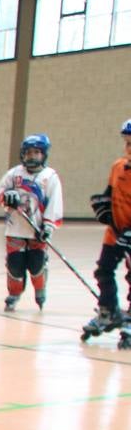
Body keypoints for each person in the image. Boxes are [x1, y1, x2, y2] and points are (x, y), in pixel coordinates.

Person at [0, 134, 63, 312]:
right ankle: (14, 293)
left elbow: (54, 203)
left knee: (36, 264)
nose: (32, 156)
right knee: (15, 265)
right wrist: (6, 197)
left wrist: (48, 226)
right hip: (15, 228)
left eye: (37, 152)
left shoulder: (50, 177)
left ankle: (40, 288)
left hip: (37, 231)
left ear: (44, 154)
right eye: (28, 153)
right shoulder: (14, 174)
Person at [83, 118, 131, 349]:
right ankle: (108, 310)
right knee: (103, 270)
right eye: (127, 142)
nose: (129, 148)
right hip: (115, 231)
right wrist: (102, 205)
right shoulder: (118, 166)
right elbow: (110, 191)